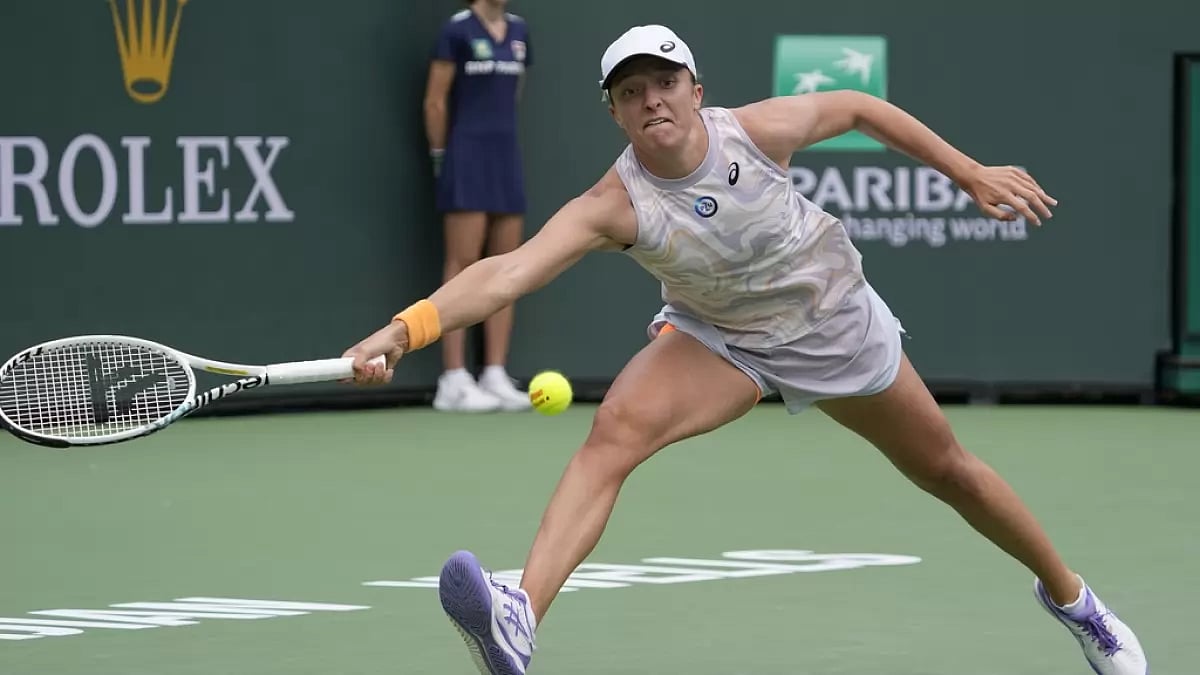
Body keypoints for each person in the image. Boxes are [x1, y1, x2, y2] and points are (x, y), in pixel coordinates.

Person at [347, 24, 1148, 675]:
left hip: (835, 323)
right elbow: (507, 272)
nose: (650, 99)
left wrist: (966, 172)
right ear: (617, 115)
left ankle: (1077, 602)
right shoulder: (613, 204)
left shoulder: (757, 133)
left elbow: (861, 108)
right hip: (720, 337)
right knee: (615, 430)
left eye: (663, 82)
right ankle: (521, 613)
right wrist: (403, 328)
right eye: (631, 92)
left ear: (695, 91)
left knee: (949, 471)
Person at [423, 0, 534, 412]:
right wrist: (442, 156)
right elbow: (435, 101)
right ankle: (452, 378)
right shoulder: (457, 31)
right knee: (463, 263)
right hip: (465, 155)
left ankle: (494, 373)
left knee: (508, 264)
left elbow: (513, 96)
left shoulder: (520, 32)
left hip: (505, 156)